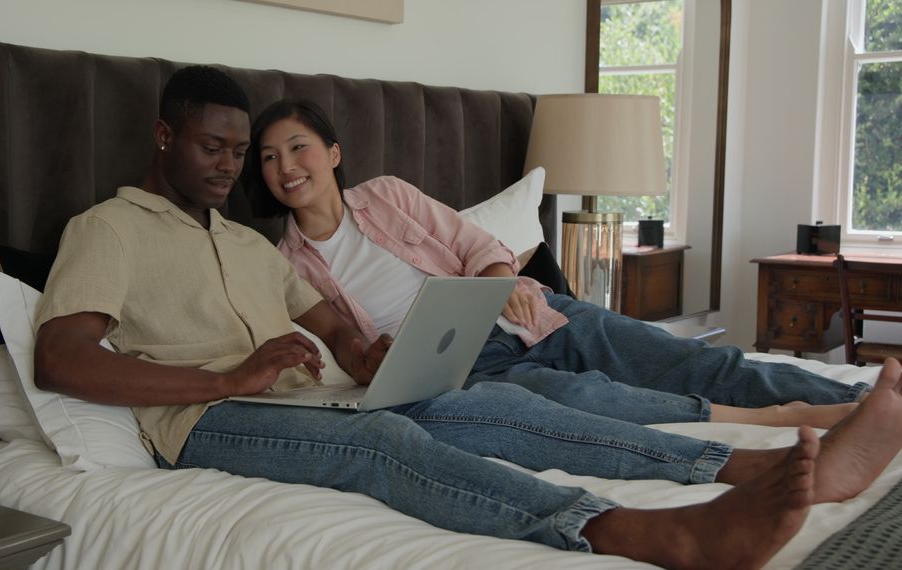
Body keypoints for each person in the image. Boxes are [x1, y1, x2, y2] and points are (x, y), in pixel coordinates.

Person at [33, 65, 902, 568]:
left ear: (332, 154)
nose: (232, 167)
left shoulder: (244, 242)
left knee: (484, 412)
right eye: (217, 149)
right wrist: (229, 376)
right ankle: (648, 530)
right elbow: (61, 359)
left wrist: (367, 356)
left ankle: (754, 466)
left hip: (329, 394)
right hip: (203, 420)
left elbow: (331, 325)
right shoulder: (108, 229)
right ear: (163, 138)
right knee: (389, 443)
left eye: (240, 150)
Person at [245, 98, 866, 430]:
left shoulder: (386, 195)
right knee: (583, 399)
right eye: (269, 158)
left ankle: (861, 400)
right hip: (464, 373)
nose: (287, 166)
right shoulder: (285, 264)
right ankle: (776, 419)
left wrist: (503, 284)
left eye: (298, 147)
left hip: (528, 315)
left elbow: (478, 245)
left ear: (333, 153)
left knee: (681, 358)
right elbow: (344, 348)